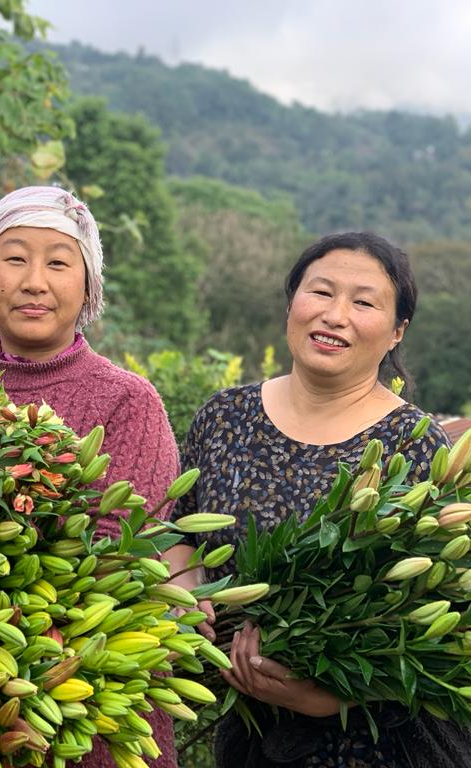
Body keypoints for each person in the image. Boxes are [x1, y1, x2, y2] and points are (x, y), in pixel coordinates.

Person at [167, 232, 462, 767]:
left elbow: (439, 620)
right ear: (291, 304)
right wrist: (184, 592)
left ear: (397, 332)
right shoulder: (225, 418)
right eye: (321, 292)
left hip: (375, 741)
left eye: (364, 302)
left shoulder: (413, 446)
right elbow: (181, 533)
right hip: (250, 733)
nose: (335, 314)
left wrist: (335, 697)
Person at [0, 185, 181, 768]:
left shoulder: (127, 401)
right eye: (13, 258)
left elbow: (121, 559)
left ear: (88, 288)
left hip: (93, 703)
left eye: (59, 262)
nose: (35, 281)